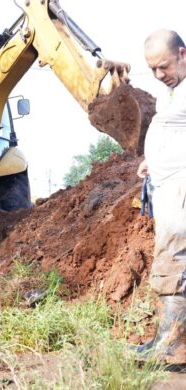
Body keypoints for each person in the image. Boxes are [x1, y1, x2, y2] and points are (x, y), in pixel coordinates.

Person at [134, 29, 186, 364]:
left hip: (181, 192)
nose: (158, 75)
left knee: (173, 261)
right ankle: (168, 342)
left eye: (163, 66)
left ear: (183, 54)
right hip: (168, 186)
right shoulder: (172, 91)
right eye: (152, 68)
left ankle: (172, 348)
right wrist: (152, 161)